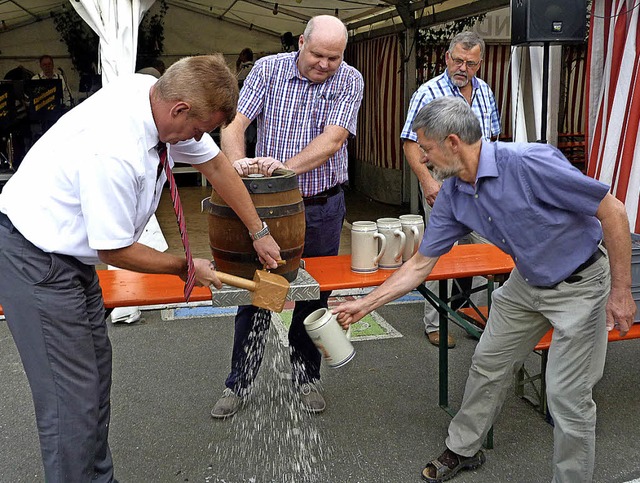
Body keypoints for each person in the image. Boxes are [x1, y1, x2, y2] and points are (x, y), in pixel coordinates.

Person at [0, 54, 281, 483]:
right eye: (198, 129)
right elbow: (115, 251)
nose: (196, 139)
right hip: (35, 258)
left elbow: (216, 164)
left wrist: (258, 230)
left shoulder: (151, 94)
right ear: (179, 110)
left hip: (69, 258)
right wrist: (185, 266)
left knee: (94, 381)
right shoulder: (114, 151)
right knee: (69, 400)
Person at [334, 97, 636, 483]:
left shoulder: (529, 162)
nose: (423, 160)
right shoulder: (454, 196)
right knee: (487, 363)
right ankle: (462, 449)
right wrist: (366, 304)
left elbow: (613, 211)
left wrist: (621, 292)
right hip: (526, 282)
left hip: (581, 284)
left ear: (453, 142)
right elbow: (420, 265)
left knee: (568, 397)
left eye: (426, 149)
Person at [212, 15, 364, 418]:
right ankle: (238, 383)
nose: (326, 64)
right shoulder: (267, 69)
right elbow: (234, 124)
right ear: (301, 43)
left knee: (314, 295)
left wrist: (281, 173)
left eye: (334, 57)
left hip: (321, 206)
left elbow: (332, 140)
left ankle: (306, 376)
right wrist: (238, 164)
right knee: (258, 291)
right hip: (266, 210)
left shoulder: (350, 79)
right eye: (318, 54)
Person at [402, 31, 501, 349]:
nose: (463, 68)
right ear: (446, 58)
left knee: (488, 254)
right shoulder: (428, 92)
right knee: (439, 252)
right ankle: (436, 322)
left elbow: (493, 140)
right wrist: (426, 181)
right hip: (442, 182)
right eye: (457, 60)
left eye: (470, 63)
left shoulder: (485, 91)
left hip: (481, 185)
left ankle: (482, 317)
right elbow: (410, 142)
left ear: (480, 63)